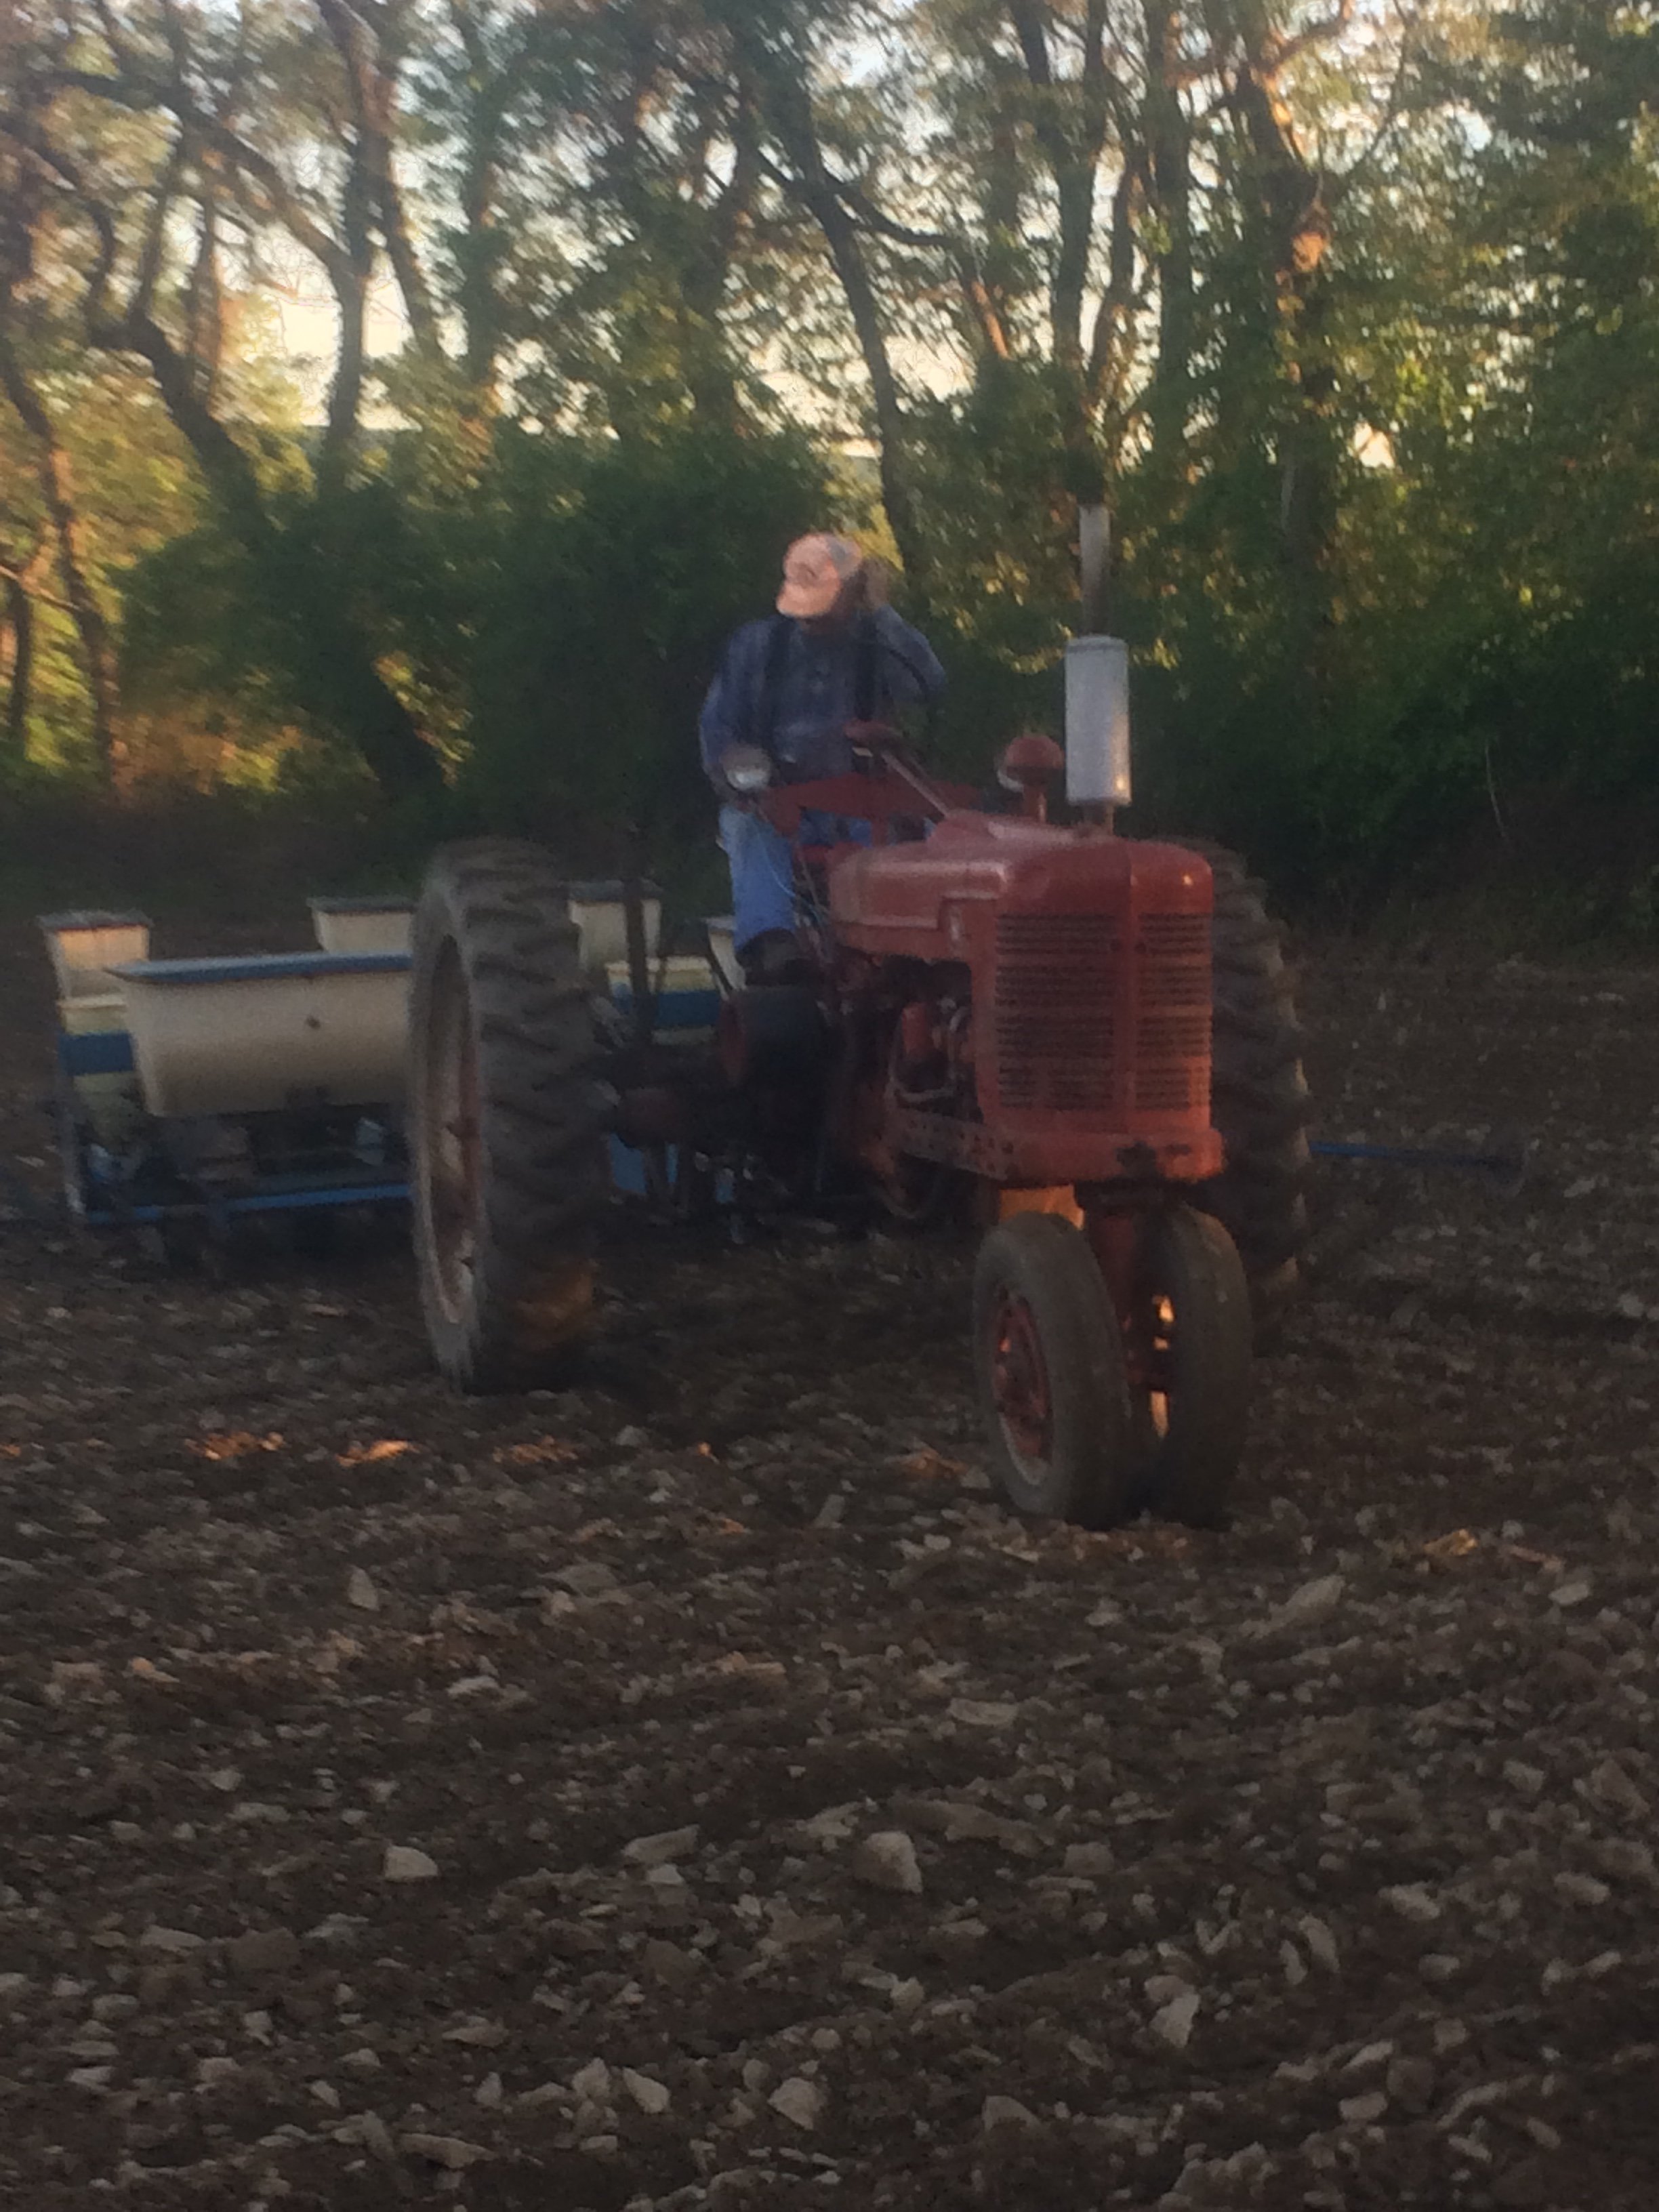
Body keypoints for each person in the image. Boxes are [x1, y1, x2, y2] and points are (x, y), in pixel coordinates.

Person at [699, 533, 945, 981]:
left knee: (926, 839)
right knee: (750, 828)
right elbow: (717, 728)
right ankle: (772, 947)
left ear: (856, 588)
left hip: (860, 803)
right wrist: (739, 771)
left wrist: (882, 611)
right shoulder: (756, 646)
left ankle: (918, 952)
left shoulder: (879, 644)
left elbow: (927, 685)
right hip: (777, 800)